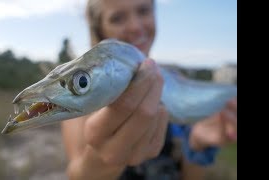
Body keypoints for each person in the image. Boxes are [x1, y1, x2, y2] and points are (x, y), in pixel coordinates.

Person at [61, 0, 237, 179]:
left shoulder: (175, 82)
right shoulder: (79, 102)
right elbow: (76, 174)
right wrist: (101, 164)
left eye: (143, 11)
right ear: (100, 29)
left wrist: (197, 145)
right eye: (118, 18)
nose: (135, 26)